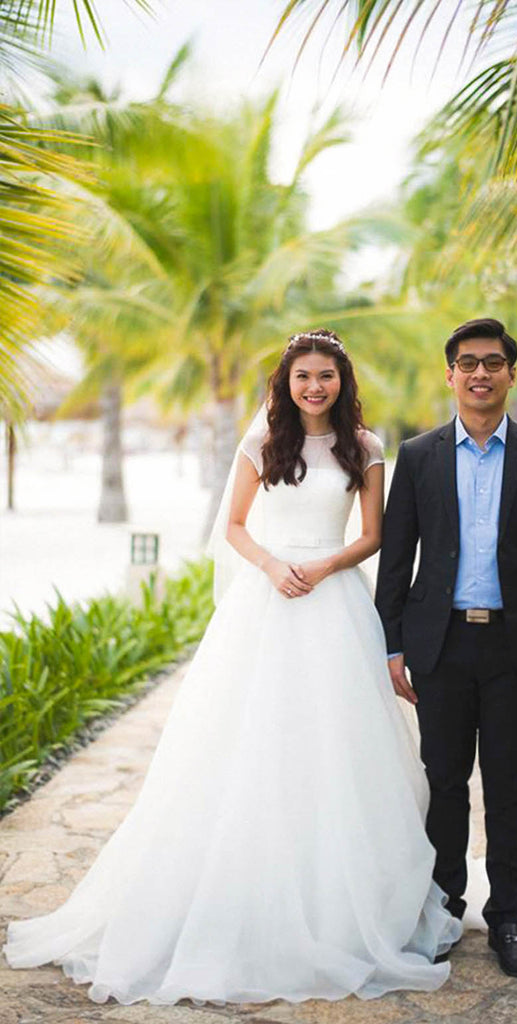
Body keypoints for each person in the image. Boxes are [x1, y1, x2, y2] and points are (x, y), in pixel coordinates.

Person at [2, 329, 463, 1005]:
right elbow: (236, 527)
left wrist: (322, 564)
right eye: (303, 376)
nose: (314, 387)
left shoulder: (365, 447)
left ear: (343, 381)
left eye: (326, 377)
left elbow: (372, 534)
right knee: (249, 742)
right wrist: (276, 566)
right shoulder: (259, 445)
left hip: (334, 601)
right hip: (266, 602)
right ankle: (242, 887)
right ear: (286, 380)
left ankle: (338, 896)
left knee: (337, 747)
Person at [375, 317, 517, 978]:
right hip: (437, 646)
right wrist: (392, 645)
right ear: (450, 374)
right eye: (468, 362)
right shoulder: (418, 456)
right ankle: (444, 911)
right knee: (443, 785)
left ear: (510, 374)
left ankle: (507, 921)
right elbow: (396, 558)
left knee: (509, 788)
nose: (480, 373)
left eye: (493, 362)